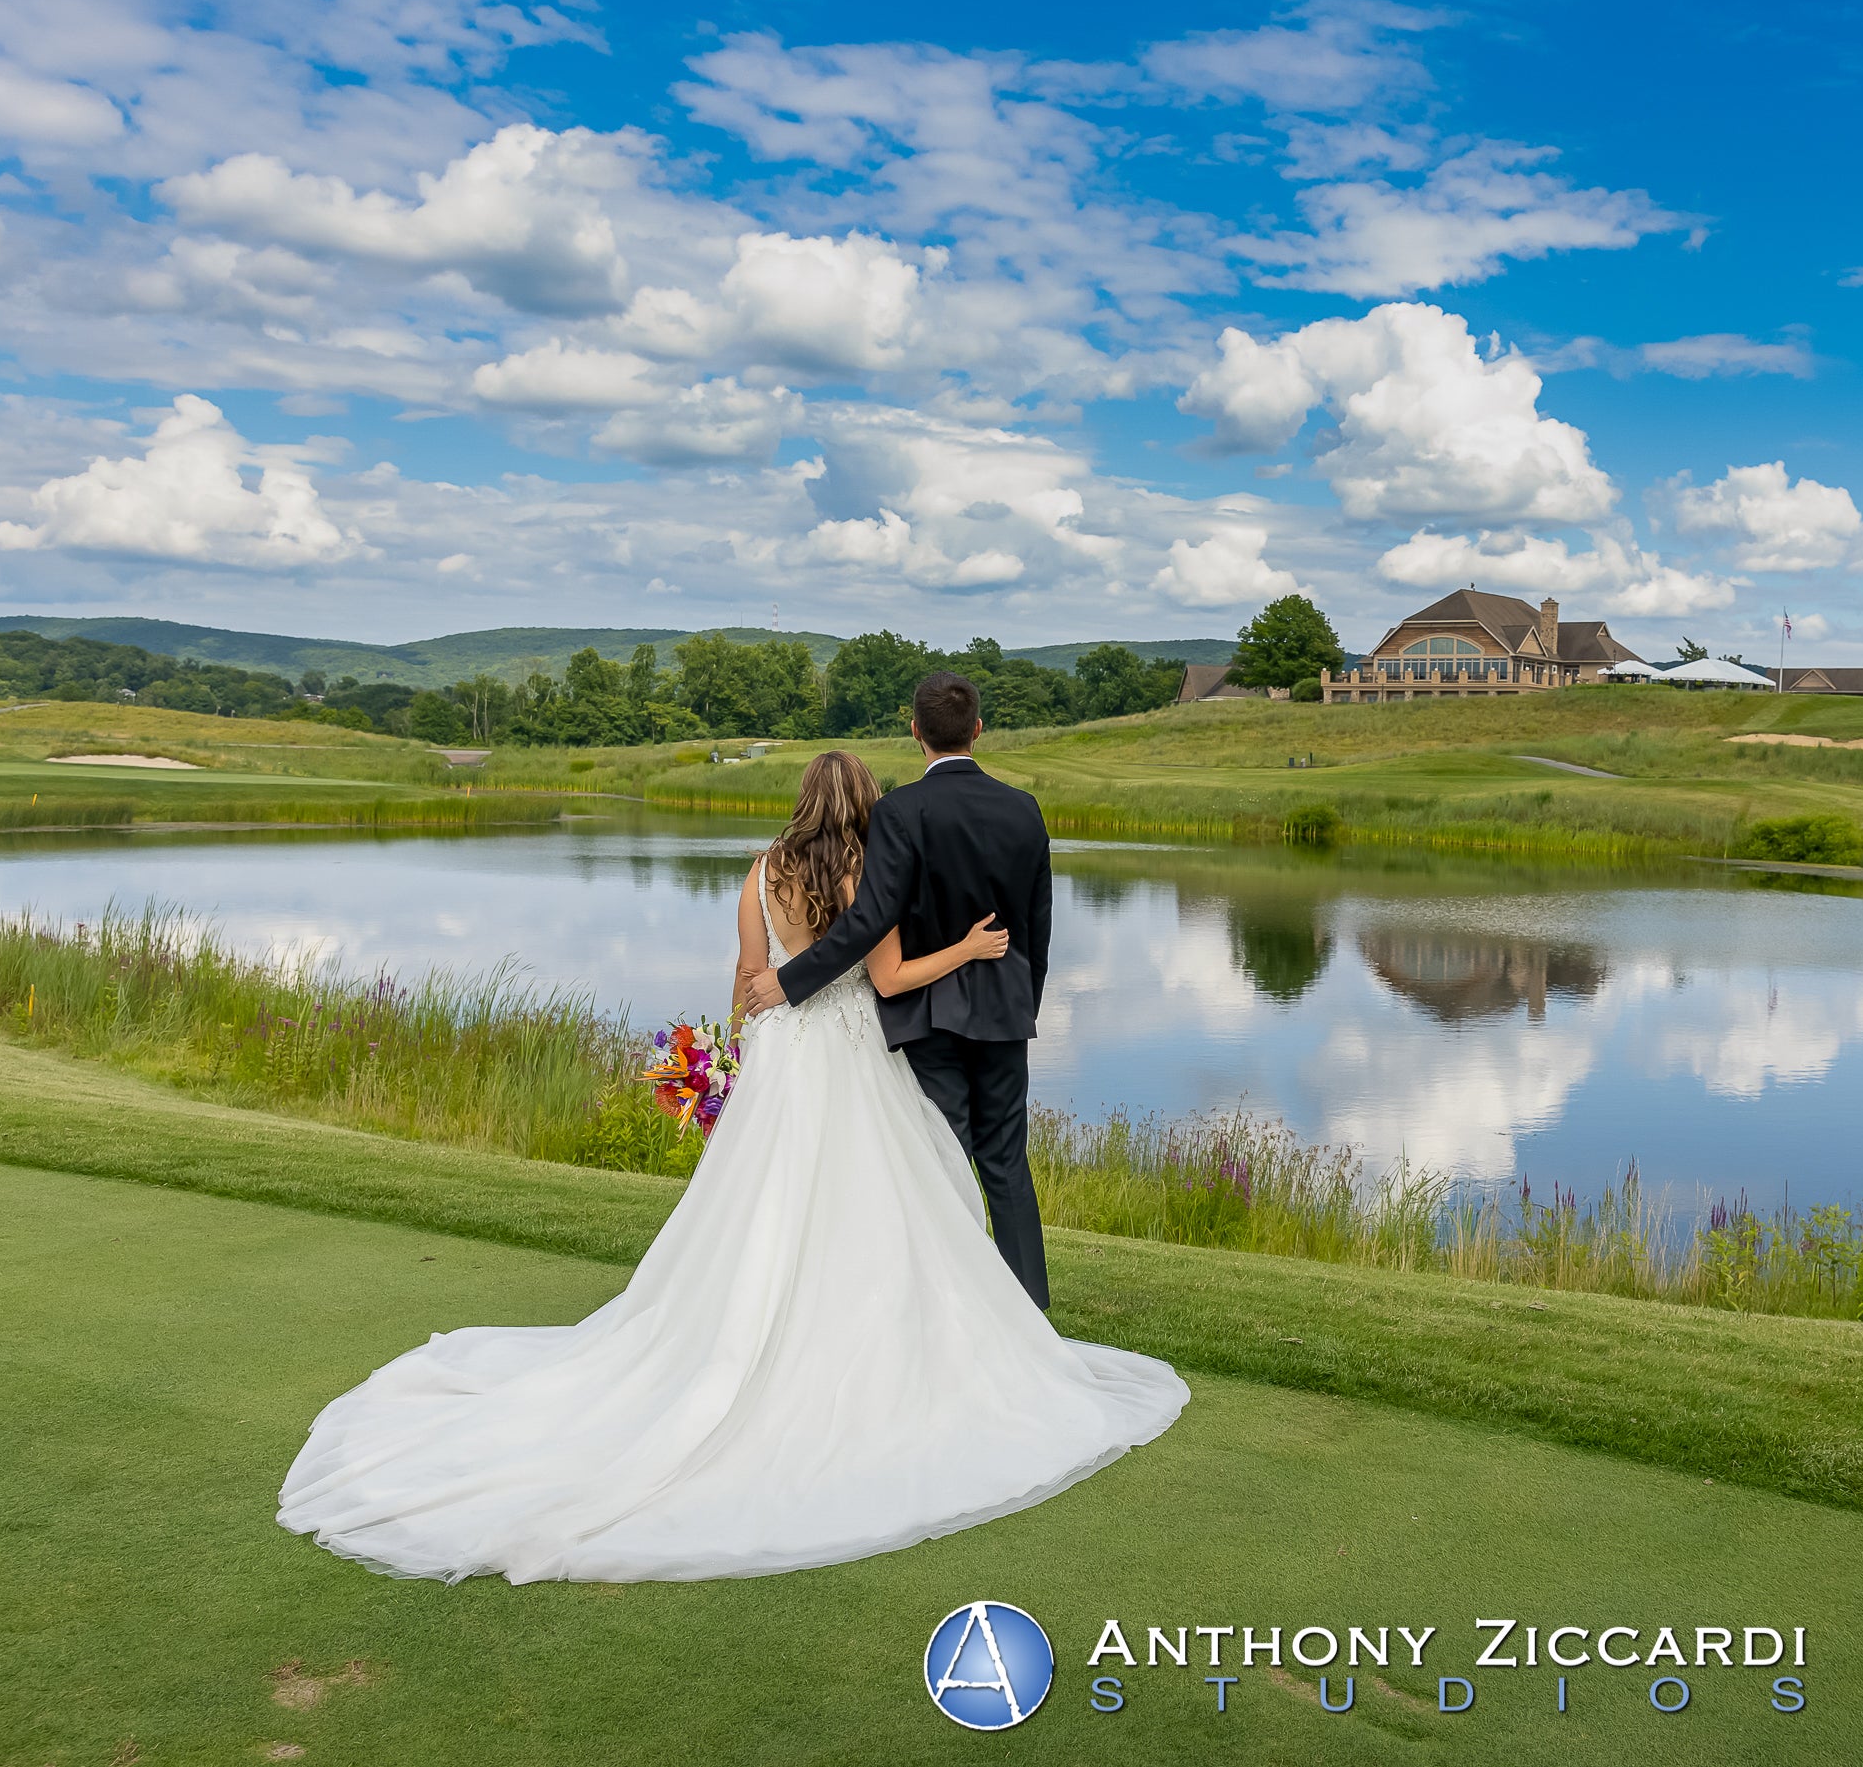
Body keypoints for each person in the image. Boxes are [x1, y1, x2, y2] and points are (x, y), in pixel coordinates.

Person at [277, 748, 1186, 1584]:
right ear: (865, 802)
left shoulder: (759, 872)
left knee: (768, 1206)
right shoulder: (866, 868)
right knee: (879, 1203)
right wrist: (974, 949)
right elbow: (889, 979)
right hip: (851, 1053)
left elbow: (750, 980)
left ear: (799, 800)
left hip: (780, 1057)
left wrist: (727, 1066)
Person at [743, 671, 1056, 1304]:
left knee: (941, 1162)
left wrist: (790, 981)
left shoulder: (901, 810)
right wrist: (1023, 1001)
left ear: (915, 732)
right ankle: (1028, 1317)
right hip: (1001, 1014)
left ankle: (949, 1306)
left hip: (927, 1014)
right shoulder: (1024, 810)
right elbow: (1036, 929)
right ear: (978, 729)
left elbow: (867, 920)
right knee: (1006, 1166)